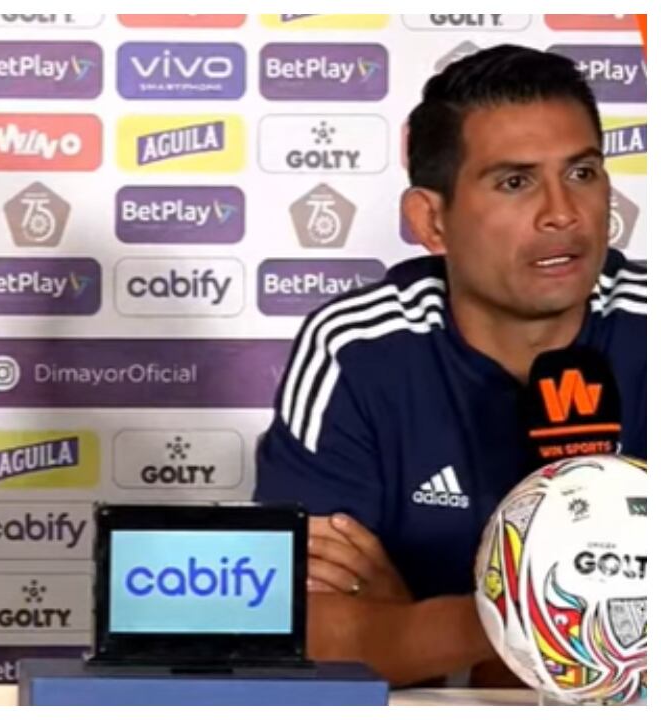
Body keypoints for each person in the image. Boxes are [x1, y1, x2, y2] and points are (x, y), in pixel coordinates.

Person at [253, 45, 645, 686]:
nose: (563, 213)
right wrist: (538, 615)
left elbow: (367, 637)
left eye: (581, 173)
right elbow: (305, 630)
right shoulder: (355, 348)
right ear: (432, 221)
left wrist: (409, 622)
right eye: (515, 182)